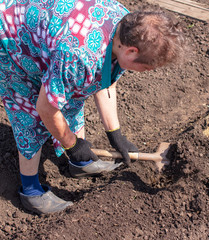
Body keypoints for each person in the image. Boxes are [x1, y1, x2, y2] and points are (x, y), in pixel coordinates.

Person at [0, 0, 187, 214]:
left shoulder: (127, 26)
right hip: (10, 39)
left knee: (73, 90)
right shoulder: (79, 56)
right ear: (131, 51)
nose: (146, 71)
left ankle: (80, 164)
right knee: (30, 112)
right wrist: (72, 144)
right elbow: (46, 107)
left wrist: (115, 133)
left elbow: (104, 76)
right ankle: (31, 190)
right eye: (146, 66)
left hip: (51, 36)